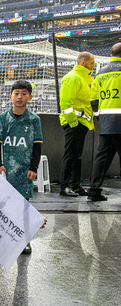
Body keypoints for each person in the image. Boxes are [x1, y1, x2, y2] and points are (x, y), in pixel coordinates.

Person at [0, 80, 43, 254]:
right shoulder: (3, 118)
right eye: (16, 93)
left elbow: (37, 145)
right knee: (2, 206)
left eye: (23, 93)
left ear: (30, 96)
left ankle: (24, 240)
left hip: (24, 171)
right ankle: (1, 238)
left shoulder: (34, 120)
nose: (20, 97)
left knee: (23, 207)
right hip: (5, 171)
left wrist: (33, 168)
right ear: (10, 96)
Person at [58, 52, 95, 197]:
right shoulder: (73, 78)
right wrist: (73, 123)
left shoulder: (84, 78)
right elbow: (66, 103)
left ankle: (75, 185)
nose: (93, 65)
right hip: (75, 123)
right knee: (70, 154)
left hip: (82, 123)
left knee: (76, 156)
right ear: (83, 63)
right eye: (92, 62)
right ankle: (65, 186)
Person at [88, 44, 121, 201]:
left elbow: (94, 100)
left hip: (106, 122)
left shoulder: (101, 72)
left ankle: (93, 192)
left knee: (101, 158)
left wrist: (100, 116)